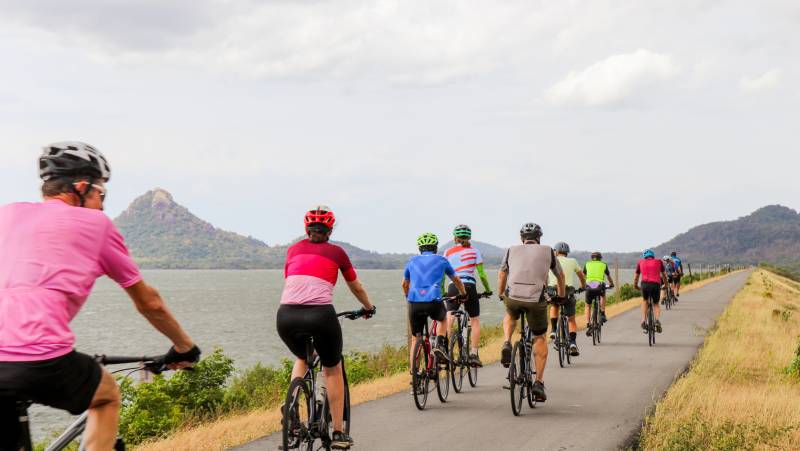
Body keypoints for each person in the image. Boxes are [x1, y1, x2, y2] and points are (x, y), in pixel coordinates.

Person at [0, 142, 200, 451]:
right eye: (101, 194)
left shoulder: (8, 214)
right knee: (107, 395)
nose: (103, 206)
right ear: (81, 187)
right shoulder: (96, 224)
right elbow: (149, 303)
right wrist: (184, 347)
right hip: (42, 358)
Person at [276, 205, 375, 450]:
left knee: (302, 356)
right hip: (320, 315)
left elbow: (293, 280)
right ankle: (339, 432)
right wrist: (368, 307)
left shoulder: (293, 249)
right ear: (329, 231)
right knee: (332, 368)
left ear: (306, 229)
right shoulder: (337, 252)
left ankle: (292, 406)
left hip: (286, 315)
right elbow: (356, 286)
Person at [498, 223, 564, 402]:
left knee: (510, 313)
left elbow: (502, 274)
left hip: (513, 296)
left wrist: (501, 293)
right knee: (540, 337)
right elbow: (560, 276)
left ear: (522, 239)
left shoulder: (511, 250)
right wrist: (561, 296)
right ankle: (538, 383)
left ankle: (506, 342)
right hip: (535, 300)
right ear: (539, 238)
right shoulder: (548, 251)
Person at [403, 233, 466, 369]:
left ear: (420, 248)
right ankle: (439, 344)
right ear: (436, 248)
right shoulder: (442, 260)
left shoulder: (411, 261)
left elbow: (404, 284)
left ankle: (414, 373)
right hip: (433, 300)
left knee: (415, 338)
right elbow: (456, 280)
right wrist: (463, 294)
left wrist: (407, 296)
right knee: (443, 319)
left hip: (414, 302)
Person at [443, 224, 492, 367]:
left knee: (450, 315)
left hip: (453, 286)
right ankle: (474, 354)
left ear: (455, 238)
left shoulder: (447, 252)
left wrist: (442, 291)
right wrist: (488, 289)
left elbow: (442, 275)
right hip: (470, 286)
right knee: (474, 320)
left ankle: (444, 348)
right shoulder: (475, 251)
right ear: (469, 237)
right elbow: (482, 275)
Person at [547, 242, 586, 356]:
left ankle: (554, 330)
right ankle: (573, 343)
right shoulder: (573, 261)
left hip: (553, 291)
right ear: (567, 253)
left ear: (556, 251)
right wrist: (583, 286)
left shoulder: (551, 261)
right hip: (568, 292)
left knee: (554, 306)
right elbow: (581, 276)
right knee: (571, 320)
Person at [633, 249, 667, 333]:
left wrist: (635, 286)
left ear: (644, 257)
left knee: (645, 300)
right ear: (653, 256)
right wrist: (666, 285)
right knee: (656, 304)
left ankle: (643, 320)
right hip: (656, 284)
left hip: (645, 285)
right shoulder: (659, 261)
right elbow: (664, 275)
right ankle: (657, 321)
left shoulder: (640, 262)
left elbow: (636, 277)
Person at [583, 252, 615, 336]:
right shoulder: (603, 264)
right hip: (599, 286)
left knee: (587, 306)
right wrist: (611, 284)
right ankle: (602, 313)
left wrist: (582, 286)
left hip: (589, 286)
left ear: (591, 258)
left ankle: (588, 324)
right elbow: (608, 277)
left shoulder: (587, 264)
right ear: (600, 258)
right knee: (602, 296)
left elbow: (583, 276)